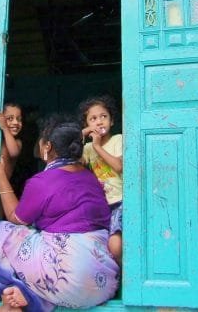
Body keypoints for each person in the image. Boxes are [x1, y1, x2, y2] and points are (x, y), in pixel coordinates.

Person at [0, 116, 119, 311]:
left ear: (47, 147)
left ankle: (14, 294)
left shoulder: (43, 181)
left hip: (70, 282)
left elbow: (16, 217)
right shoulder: (90, 177)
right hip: (104, 285)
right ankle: (27, 296)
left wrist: (0, 176)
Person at [79, 95, 123, 267]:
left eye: (103, 116)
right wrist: (81, 134)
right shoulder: (87, 149)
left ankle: (124, 277)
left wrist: (97, 146)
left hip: (119, 201)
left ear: (111, 121)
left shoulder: (117, 139)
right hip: (102, 205)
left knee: (115, 245)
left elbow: (119, 166)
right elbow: (73, 160)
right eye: (93, 119)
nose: (99, 122)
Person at [0, 103, 23, 179]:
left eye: (19, 119)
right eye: (10, 118)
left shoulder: (17, 142)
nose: (16, 122)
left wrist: (5, 128)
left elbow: (14, 152)